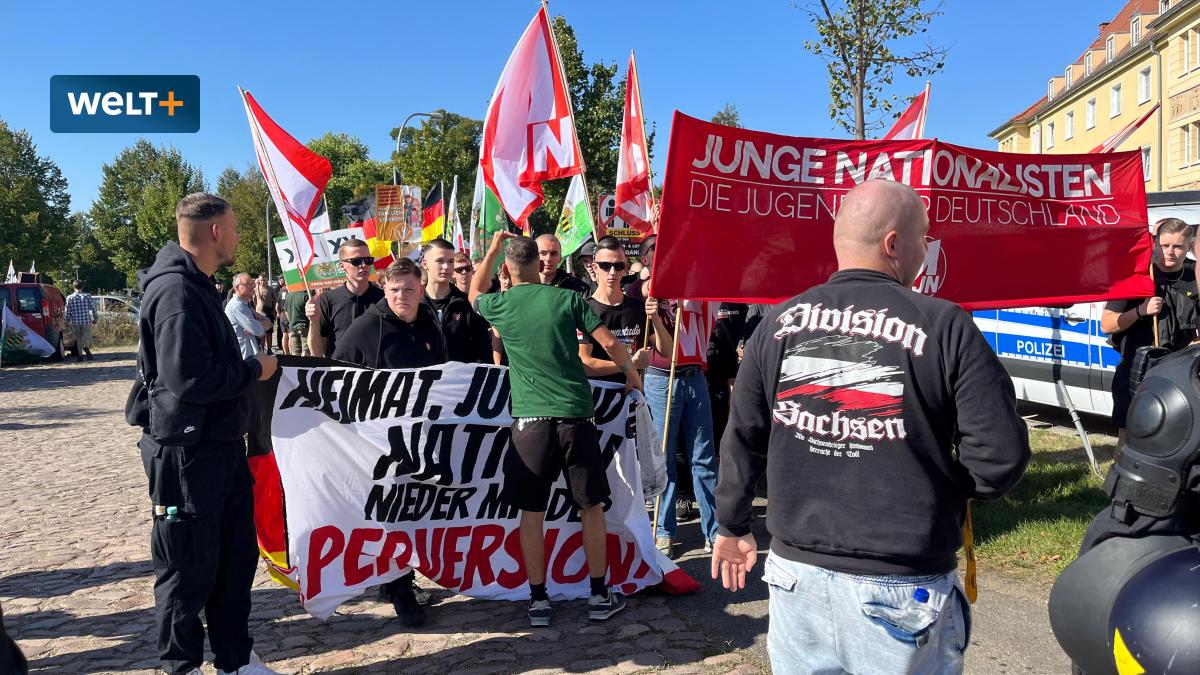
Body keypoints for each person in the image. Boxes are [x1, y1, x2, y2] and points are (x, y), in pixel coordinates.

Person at [712, 180, 1031, 675]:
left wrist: (731, 525)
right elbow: (1000, 456)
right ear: (893, 243)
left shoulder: (777, 324)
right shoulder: (943, 324)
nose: (928, 248)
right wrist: (941, 491)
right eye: (925, 236)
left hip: (796, 573)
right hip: (902, 581)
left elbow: (742, 438)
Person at [125, 192, 280, 675]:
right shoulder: (175, 291)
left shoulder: (200, 285)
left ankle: (235, 660)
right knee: (187, 569)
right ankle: (183, 666)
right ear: (215, 232)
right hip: (186, 455)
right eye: (233, 228)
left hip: (220, 447)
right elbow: (186, 377)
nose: (237, 237)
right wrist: (253, 369)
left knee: (234, 562)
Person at [469, 231, 642, 628]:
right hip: (575, 418)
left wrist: (492, 250)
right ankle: (599, 594)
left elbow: (474, 292)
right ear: (539, 263)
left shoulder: (500, 303)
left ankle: (538, 601)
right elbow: (611, 343)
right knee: (591, 507)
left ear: (509, 269)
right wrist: (630, 372)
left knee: (532, 513)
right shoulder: (568, 299)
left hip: (529, 423)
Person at [332, 258, 444, 627]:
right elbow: (335, 374)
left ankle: (396, 579)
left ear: (421, 288)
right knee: (392, 516)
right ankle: (401, 593)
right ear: (385, 288)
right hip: (378, 445)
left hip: (422, 439)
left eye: (409, 289)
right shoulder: (366, 328)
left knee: (414, 515)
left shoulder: (430, 323)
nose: (402, 296)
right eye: (394, 290)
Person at [1101, 217, 1198, 446]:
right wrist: (1141, 311)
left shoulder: (1196, 276)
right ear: (1154, 243)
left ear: (1189, 247)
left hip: (1182, 375)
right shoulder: (1136, 275)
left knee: (1179, 442)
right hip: (1138, 372)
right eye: (1165, 246)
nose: (1171, 252)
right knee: (1130, 438)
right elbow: (1107, 324)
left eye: (1178, 246)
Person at [645, 295, 722, 559]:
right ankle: (664, 531)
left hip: (695, 376)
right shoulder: (651, 285)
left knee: (704, 459)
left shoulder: (700, 285)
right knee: (663, 460)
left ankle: (713, 531)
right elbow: (639, 288)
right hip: (661, 379)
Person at [577, 236, 666, 382]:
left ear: (625, 268)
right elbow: (585, 364)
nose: (612, 272)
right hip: (598, 395)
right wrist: (629, 365)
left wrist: (655, 318)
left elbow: (667, 351)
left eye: (618, 266)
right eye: (605, 266)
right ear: (594, 267)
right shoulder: (585, 309)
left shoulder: (637, 307)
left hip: (633, 394)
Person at [306, 238, 384, 358]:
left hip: (376, 374)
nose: (364, 265)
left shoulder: (384, 298)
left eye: (368, 260)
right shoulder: (327, 300)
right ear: (342, 266)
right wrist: (313, 322)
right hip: (341, 374)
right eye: (356, 261)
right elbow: (317, 352)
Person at [422, 238, 492, 363]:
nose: (446, 267)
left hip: (462, 380)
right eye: (440, 261)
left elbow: (484, 353)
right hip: (424, 381)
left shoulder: (467, 304)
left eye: (450, 261)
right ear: (424, 263)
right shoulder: (414, 305)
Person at [225, 273, 271, 360]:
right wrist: (258, 325)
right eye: (248, 284)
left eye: (252, 284)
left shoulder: (245, 304)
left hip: (250, 354)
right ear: (237, 287)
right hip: (243, 357)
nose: (252, 287)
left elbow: (268, 322)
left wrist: (256, 325)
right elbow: (259, 331)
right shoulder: (237, 306)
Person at [65, 280, 98, 362]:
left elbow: (67, 310)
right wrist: (95, 318)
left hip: (75, 321)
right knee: (87, 337)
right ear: (82, 287)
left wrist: (67, 320)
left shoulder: (69, 298)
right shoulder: (87, 296)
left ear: (73, 287)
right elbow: (94, 308)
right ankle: (86, 348)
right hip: (86, 320)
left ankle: (80, 355)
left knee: (78, 338)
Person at [283, 288, 310, 357]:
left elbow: (286, 311)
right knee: (305, 350)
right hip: (304, 326)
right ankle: (304, 365)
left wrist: (291, 321)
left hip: (292, 326)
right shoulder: (305, 295)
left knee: (295, 351)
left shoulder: (288, 296)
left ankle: (296, 365)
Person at [253, 276, 277, 354]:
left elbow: (275, 300)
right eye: (261, 280)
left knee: (269, 333)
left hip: (269, 313)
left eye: (264, 280)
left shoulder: (270, 289)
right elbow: (254, 301)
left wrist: (274, 311)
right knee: (261, 333)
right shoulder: (256, 289)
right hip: (259, 314)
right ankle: (262, 349)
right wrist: (256, 310)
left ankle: (269, 349)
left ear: (267, 280)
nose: (263, 281)